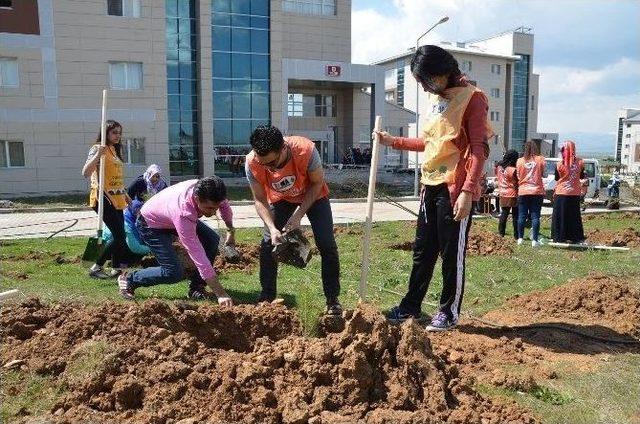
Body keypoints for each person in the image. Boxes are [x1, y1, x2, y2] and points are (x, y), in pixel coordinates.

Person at [374, 45, 492, 331]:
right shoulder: (438, 100)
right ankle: (411, 307)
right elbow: (431, 144)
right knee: (423, 251)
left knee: (452, 253)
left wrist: (467, 191)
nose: (426, 87)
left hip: (455, 188)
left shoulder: (472, 99)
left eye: (428, 80)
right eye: (422, 83)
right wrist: (393, 141)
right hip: (430, 185)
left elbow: (479, 149)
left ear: (443, 71)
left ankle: (449, 312)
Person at [245, 124, 342, 315]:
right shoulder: (252, 162)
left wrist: (298, 216)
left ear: (283, 148)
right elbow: (259, 199)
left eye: (273, 163)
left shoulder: (306, 150)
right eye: (264, 163)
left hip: (314, 196)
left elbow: (317, 183)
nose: (269, 168)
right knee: (267, 244)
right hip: (282, 199)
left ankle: (332, 300)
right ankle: (267, 297)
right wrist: (272, 228)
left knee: (326, 244)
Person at [117, 176, 236, 304]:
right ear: (197, 199)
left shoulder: (213, 191)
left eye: (215, 208)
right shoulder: (184, 212)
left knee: (212, 240)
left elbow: (225, 208)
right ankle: (129, 279)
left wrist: (231, 230)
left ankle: (197, 287)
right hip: (150, 223)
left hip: (167, 215)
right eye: (209, 208)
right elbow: (197, 254)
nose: (213, 212)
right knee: (173, 272)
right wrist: (220, 293)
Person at [81, 119, 132, 279]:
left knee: (120, 235)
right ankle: (96, 267)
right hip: (103, 198)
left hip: (117, 199)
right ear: (105, 133)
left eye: (119, 133)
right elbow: (85, 172)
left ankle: (116, 267)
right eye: (114, 132)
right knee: (119, 236)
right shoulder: (98, 148)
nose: (117, 136)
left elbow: (114, 177)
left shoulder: (114, 150)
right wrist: (98, 154)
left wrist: (125, 194)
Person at [551, 141, 586, 243]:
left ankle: (559, 237)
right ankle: (575, 237)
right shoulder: (580, 162)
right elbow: (582, 176)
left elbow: (557, 178)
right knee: (574, 216)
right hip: (574, 193)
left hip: (561, 193)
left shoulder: (559, 164)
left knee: (560, 216)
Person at [516, 140, 546, 247]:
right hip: (537, 191)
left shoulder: (519, 161)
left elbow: (518, 176)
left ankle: (520, 239)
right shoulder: (541, 159)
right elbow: (543, 174)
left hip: (523, 191)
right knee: (535, 216)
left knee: (522, 216)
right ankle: (534, 240)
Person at [496, 150, 519, 238]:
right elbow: (517, 181)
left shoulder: (499, 167)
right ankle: (516, 235)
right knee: (515, 215)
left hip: (502, 192)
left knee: (504, 214)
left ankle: (501, 233)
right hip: (512, 193)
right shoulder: (512, 169)